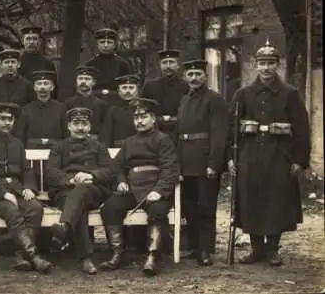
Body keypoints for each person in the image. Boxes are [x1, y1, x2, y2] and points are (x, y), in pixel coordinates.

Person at [228, 40, 310, 266]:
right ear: (256, 65)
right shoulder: (243, 94)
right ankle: (256, 249)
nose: (266, 68)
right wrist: (231, 158)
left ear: (278, 65)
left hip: (279, 155)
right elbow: (232, 128)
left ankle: (272, 249)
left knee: (276, 200)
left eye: (271, 63)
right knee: (251, 199)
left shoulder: (290, 94)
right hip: (249, 154)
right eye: (262, 63)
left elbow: (302, 129)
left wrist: (299, 160)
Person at [99, 98, 179, 276]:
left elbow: (170, 168)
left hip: (154, 187)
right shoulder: (129, 142)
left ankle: (153, 256)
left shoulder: (163, 140)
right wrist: (121, 180)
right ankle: (117, 254)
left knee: (158, 211)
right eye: (136, 118)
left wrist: (159, 191)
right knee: (110, 208)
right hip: (132, 188)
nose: (139, 121)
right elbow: (116, 165)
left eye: (143, 117)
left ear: (153, 119)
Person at [0, 102, 52, 273]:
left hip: (17, 190)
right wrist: (2, 193)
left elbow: (26, 169)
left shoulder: (17, 143)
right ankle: (34, 256)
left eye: (10, 119)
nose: (7, 123)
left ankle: (21, 255)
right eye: (3, 118)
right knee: (12, 211)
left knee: (35, 208)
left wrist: (29, 187)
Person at [45, 107, 113, 275]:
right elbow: (51, 172)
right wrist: (71, 179)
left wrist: (91, 176)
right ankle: (86, 259)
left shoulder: (99, 146)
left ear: (90, 127)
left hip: (93, 190)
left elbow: (109, 170)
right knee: (78, 206)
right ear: (69, 126)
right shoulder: (58, 147)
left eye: (84, 124)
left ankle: (65, 229)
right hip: (65, 191)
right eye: (76, 123)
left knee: (81, 192)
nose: (80, 128)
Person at [176, 59, 230, 266]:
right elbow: (179, 134)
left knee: (206, 207)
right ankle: (194, 246)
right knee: (189, 206)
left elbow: (220, 134)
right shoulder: (184, 100)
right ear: (185, 78)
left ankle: (206, 249)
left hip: (204, 161)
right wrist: (178, 164)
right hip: (186, 161)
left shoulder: (215, 100)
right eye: (190, 75)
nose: (194, 78)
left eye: (198, 74)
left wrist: (214, 164)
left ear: (205, 76)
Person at [142, 49, 189, 143]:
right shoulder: (149, 86)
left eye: (171, 62)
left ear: (178, 65)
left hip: (179, 131)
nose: (168, 66)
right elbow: (145, 109)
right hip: (155, 131)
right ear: (160, 65)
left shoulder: (186, 86)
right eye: (164, 62)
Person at [15, 70, 67, 149]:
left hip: (56, 154)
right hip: (32, 155)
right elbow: (20, 137)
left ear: (52, 87)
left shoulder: (61, 108)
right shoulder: (26, 110)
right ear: (34, 87)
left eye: (46, 83)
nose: (42, 87)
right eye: (39, 83)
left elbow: (66, 135)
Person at [86, 28, 132, 105]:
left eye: (109, 42)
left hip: (116, 102)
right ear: (97, 44)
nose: (106, 45)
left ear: (114, 45)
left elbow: (129, 87)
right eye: (102, 42)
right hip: (94, 102)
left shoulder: (123, 64)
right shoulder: (90, 64)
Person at [64, 65, 109, 138]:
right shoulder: (68, 103)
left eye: (87, 79)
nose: (83, 81)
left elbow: (105, 129)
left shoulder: (101, 104)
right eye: (80, 78)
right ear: (76, 81)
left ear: (94, 82)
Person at [98, 74, 141, 148]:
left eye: (131, 88)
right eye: (124, 88)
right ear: (118, 91)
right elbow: (106, 136)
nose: (128, 91)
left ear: (137, 90)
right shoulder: (113, 111)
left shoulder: (143, 109)